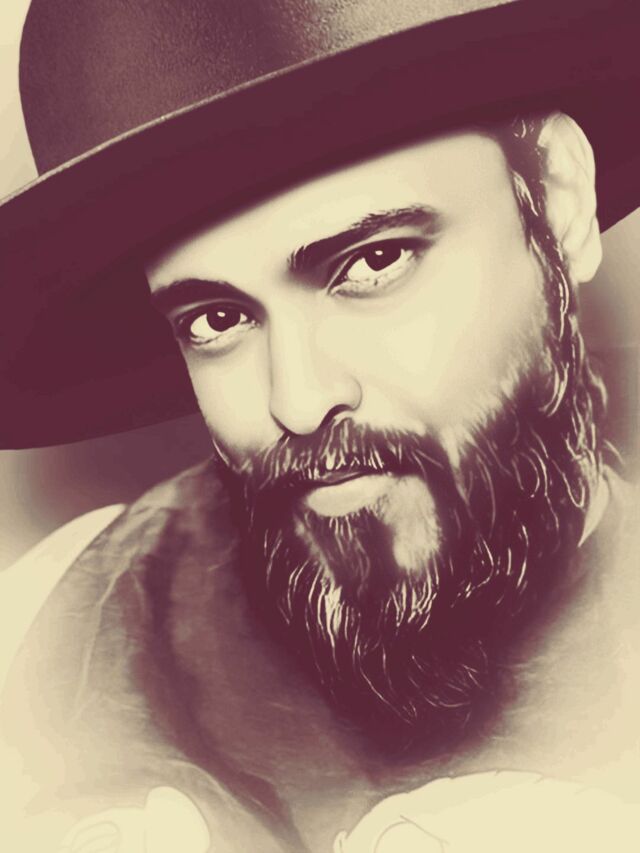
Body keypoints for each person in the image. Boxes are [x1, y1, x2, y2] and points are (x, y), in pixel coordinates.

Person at [0, 1, 638, 851]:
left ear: (556, 200)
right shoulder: (46, 633)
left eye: (374, 262)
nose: (298, 400)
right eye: (216, 319)